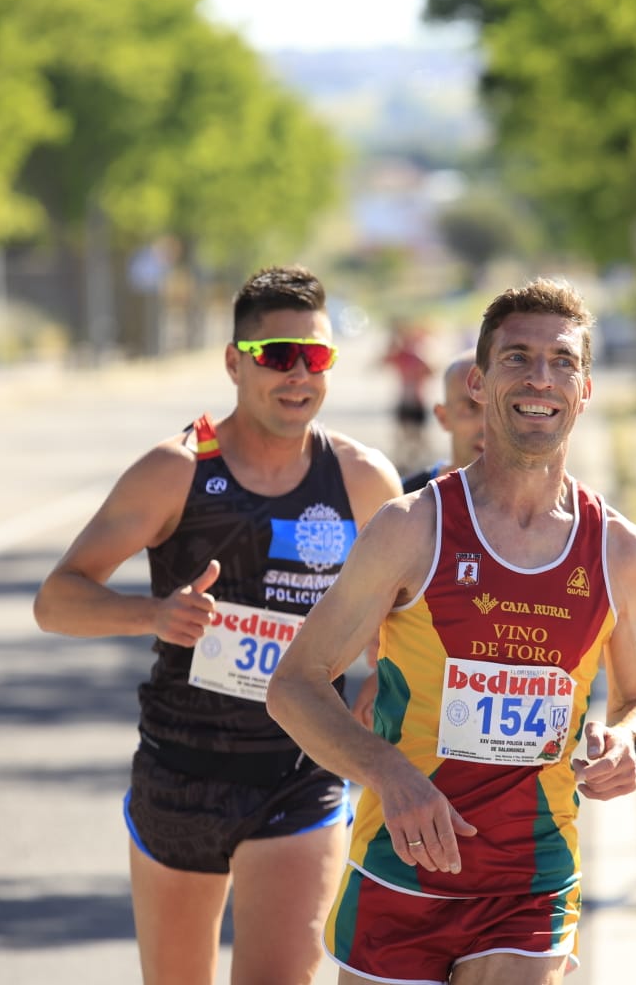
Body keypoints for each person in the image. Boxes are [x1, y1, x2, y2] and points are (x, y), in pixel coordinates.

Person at [267, 277, 636, 985]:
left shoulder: (622, 551)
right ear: (480, 383)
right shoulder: (412, 528)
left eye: (562, 361)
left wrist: (630, 742)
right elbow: (294, 686)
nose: (541, 378)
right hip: (402, 868)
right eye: (517, 358)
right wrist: (389, 773)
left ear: (586, 389)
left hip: (532, 876)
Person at [33, 264, 403, 985]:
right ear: (234, 362)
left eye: (316, 356)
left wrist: (385, 670)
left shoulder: (361, 480)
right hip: (182, 770)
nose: (298, 375)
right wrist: (154, 613)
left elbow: (405, 610)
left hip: (301, 770)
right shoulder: (175, 470)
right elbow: (57, 600)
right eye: (276, 356)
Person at [399, 349, 485, 493]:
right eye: (470, 407)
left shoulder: (534, 507)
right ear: (443, 417)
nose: (486, 424)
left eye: (498, 409)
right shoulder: (403, 501)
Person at [381, 321, 434, 471]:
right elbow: (382, 361)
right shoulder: (401, 355)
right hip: (407, 400)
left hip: (415, 400)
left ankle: (418, 462)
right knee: (405, 436)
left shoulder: (413, 355)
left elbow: (431, 370)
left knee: (416, 436)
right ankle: (408, 463)